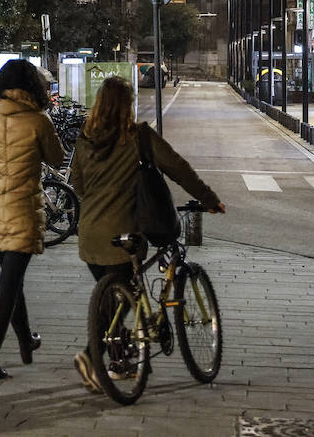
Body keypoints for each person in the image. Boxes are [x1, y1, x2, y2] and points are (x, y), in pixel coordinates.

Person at [67, 75, 224, 392]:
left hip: (90, 233)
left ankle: (122, 359)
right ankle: (91, 356)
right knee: (122, 299)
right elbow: (178, 168)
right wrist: (209, 199)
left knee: (115, 299)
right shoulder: (138, 137)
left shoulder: (86, 139)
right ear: (127, 105)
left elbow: (78, 185)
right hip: (124, 234)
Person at [0, 59, 65, 380]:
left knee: (12, 280)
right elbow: (57, 159)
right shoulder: (38, 121)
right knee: (9, 283)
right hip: (22, 209)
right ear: (32, 86)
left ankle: (25, 339)